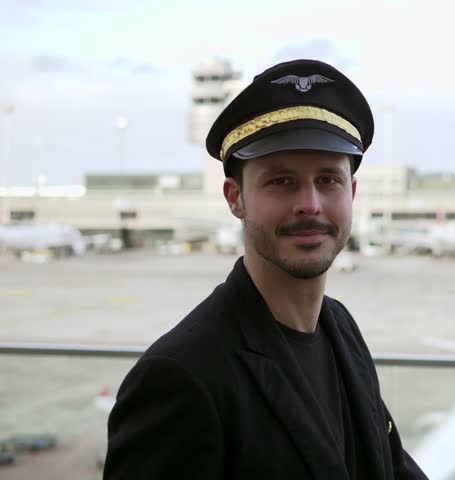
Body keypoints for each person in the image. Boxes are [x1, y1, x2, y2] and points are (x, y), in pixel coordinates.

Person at [104, 59, 427, 479]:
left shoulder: (340, 327)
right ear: (235, 198)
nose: (310, 204)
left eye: (328, 180)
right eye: (281, 182)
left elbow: (390, 464)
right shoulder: (182, 375)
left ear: (351, 192)